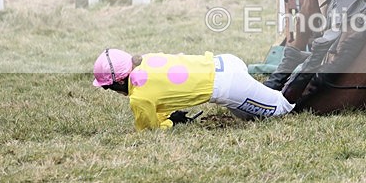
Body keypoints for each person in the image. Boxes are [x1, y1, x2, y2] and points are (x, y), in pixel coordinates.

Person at [92, 48, 294, 130]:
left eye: (109, 88)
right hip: (225, 61)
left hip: (228, 86)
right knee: (251, 115)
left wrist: (170, 123)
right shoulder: (148, 58)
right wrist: (168, 116)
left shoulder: (139, 98)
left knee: (281, 109)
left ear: (118, 82)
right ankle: (290, 66)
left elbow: (149, 130)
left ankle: (312, 63)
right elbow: (159, 104)